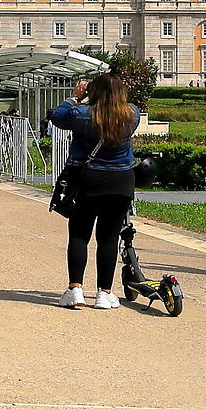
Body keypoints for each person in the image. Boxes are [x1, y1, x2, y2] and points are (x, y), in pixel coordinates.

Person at [49, 73, 139, 308]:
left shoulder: (80, 114)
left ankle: (75, 289)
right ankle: (104, 293)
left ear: (93, 91)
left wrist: (76, 97)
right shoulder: (132, 114)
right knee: (108, 238)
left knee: (79, 234)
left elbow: (57, 117)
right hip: (121, 180)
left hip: (88, 179)